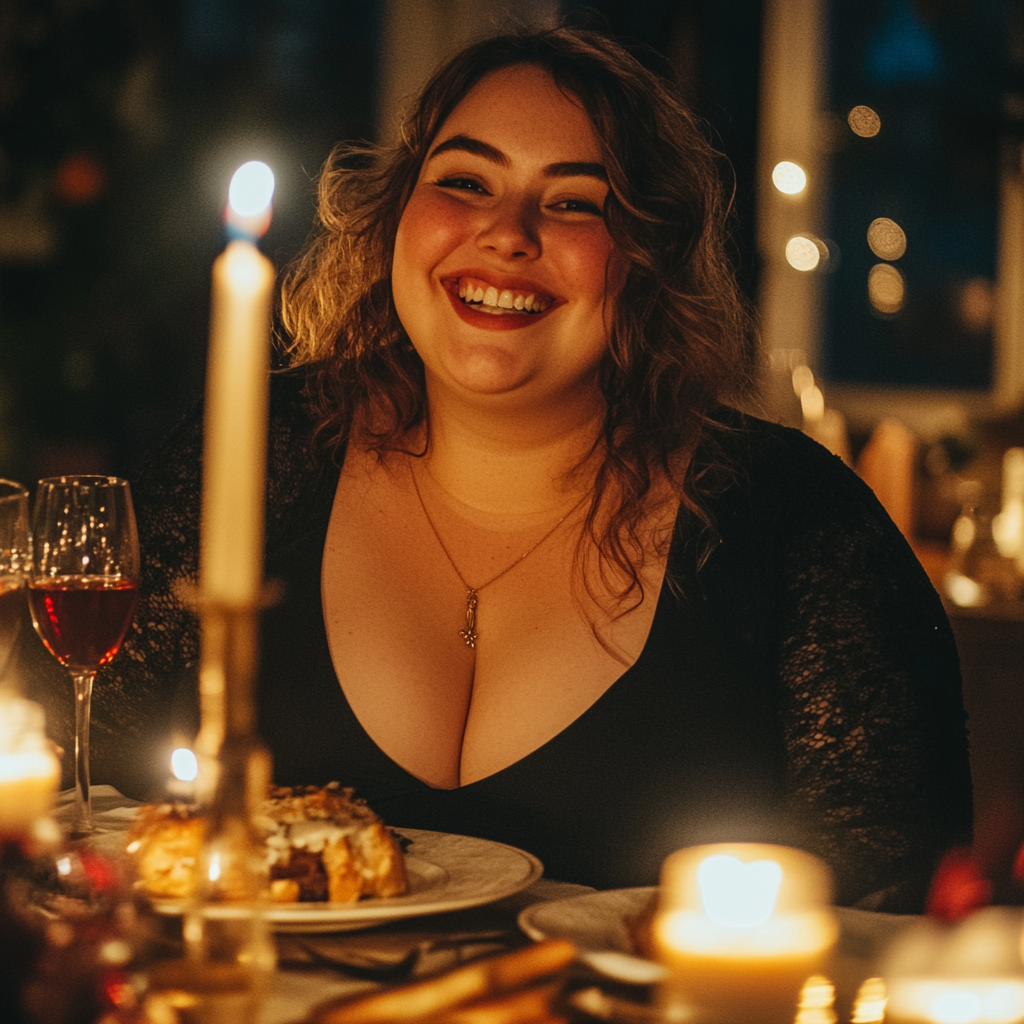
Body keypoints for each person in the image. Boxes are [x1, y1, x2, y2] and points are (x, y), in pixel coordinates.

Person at [21, 25, 970, 908]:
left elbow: (893, 908)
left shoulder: (804, 525)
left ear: (648, 259)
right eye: (465, 183)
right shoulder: (246, 453)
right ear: (395, 216)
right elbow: (72, 806)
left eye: (574, 203)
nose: (508, 233)